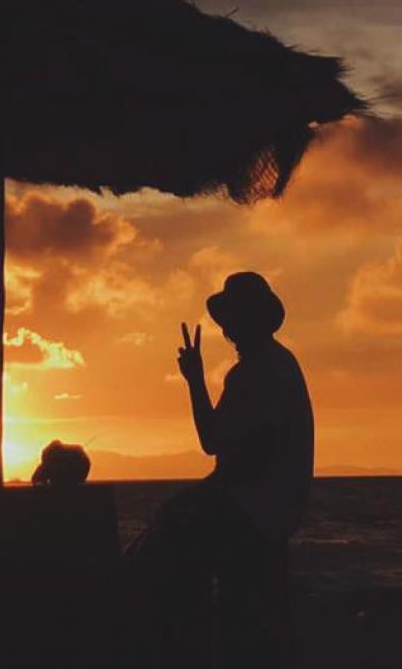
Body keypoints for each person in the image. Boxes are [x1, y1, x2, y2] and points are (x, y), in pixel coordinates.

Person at [130, 271, 314, 668]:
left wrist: (207, 493)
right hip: (271, 511)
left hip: (255, 512)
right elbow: (215, 442)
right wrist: (195, 380)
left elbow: (253, 451)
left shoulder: (259, 371)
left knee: (162, 551)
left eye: (235, 317)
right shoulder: (275, 365)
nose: (229, 328)